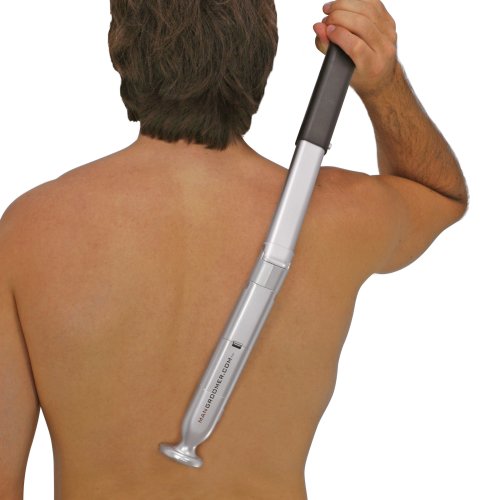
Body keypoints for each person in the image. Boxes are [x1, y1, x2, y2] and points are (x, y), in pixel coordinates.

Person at [0, 1, 468, 498]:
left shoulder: (31, 229)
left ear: (121, 52)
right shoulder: (335, 215)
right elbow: (440, 194)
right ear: (264, 56)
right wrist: (382, 82)